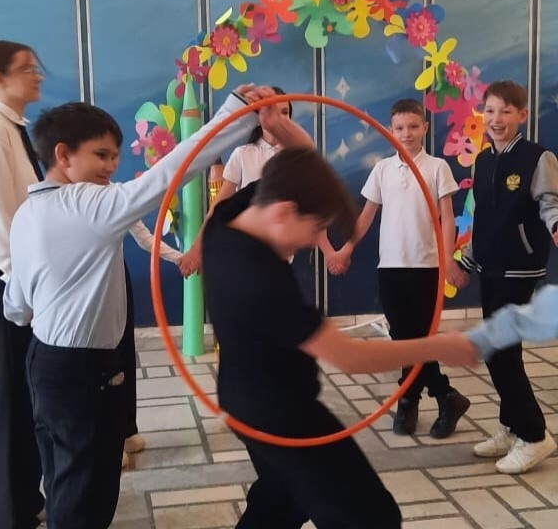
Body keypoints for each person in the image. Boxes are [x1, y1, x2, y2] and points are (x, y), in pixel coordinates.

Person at [3, 85, 308, 529]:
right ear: (63, 155)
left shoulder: (28, 212)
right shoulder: (90, 205)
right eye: (100, 155)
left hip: (47, 362)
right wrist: (235, 112)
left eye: (115, 156)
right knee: (85, 488)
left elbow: (16, 302)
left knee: (68, 475)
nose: (111, 167)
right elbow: (170, 172)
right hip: (82, 371)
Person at [202, 146, 481, 528]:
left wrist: (276, 123)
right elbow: (348, 357)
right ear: (284, 212)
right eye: (315, 229)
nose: (312, 241)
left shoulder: (225, 220)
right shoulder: (259, 280)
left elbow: (297, 162)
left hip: (243, 402)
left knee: (283, 498)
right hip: (283, 415)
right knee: (371, 516)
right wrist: (438, 346)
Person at [321, 99, 470, 439]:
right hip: (390, 266)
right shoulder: (383, 169)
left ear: (425, 128)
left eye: (414, 126)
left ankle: (410, 400)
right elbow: (366, 216)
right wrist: (346, 249)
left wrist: (448, 259)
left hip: (426, 266)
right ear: (390, 131)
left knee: (417, 338)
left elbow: (448, 218)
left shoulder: (437, 168)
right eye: (400, 128)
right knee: (403, 337)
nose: (407, 134)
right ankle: (444, 397)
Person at [457, 80, 558, 474]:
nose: (496, 119)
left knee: (501, 351)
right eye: (490, 111)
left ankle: (534, 435)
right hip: (490, 266)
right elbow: (481, 218)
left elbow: (550, 203)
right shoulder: (483, 160)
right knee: (501, 350)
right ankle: (511, 425)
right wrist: (467, 261)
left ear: (522, 115)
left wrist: (556, 226)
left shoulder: (538, 157)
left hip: (519, 267)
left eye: (505, 111)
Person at [0, 40, 45, 529]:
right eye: (26, 68)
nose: (37, 74)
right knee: (8, 394)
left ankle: (25, 499)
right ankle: (5, 514)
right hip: (2, 278)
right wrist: (17, 291)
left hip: (19, 276)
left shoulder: (17, 130)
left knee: (26, 392)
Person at [178, 86, 300, 277]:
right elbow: (218, 206)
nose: (279, 118)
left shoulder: (297, 158)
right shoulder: (243, 154)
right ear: (260, 116)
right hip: (247, 251)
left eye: (285, 112)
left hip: (281, 253)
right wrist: (197, 248)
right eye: (272, 111)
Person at [120, 222, 182, 468]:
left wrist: (179, 258)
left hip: (116, 280)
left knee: (124, 356)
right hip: (85, 283)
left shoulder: (115, 201)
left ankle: (125, 430)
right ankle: (107, 441)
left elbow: (144, 237)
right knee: (100, 366)